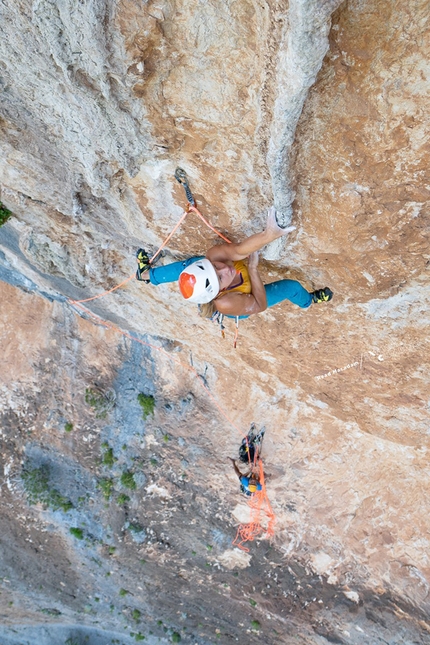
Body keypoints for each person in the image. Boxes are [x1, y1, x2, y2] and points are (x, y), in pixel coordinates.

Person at [136, 207, 333, 318]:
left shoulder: (213, 258)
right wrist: (253, 270)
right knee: (292, 287)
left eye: (215, 268)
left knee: (189, 266)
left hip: (216, 283)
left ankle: (146, 275)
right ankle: (310, 301)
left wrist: (269, 235)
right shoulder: (226, 302)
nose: (224, 269)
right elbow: (260, 304)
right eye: (220, 277)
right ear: (219, 291)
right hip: (245, 302)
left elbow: (239, 250)